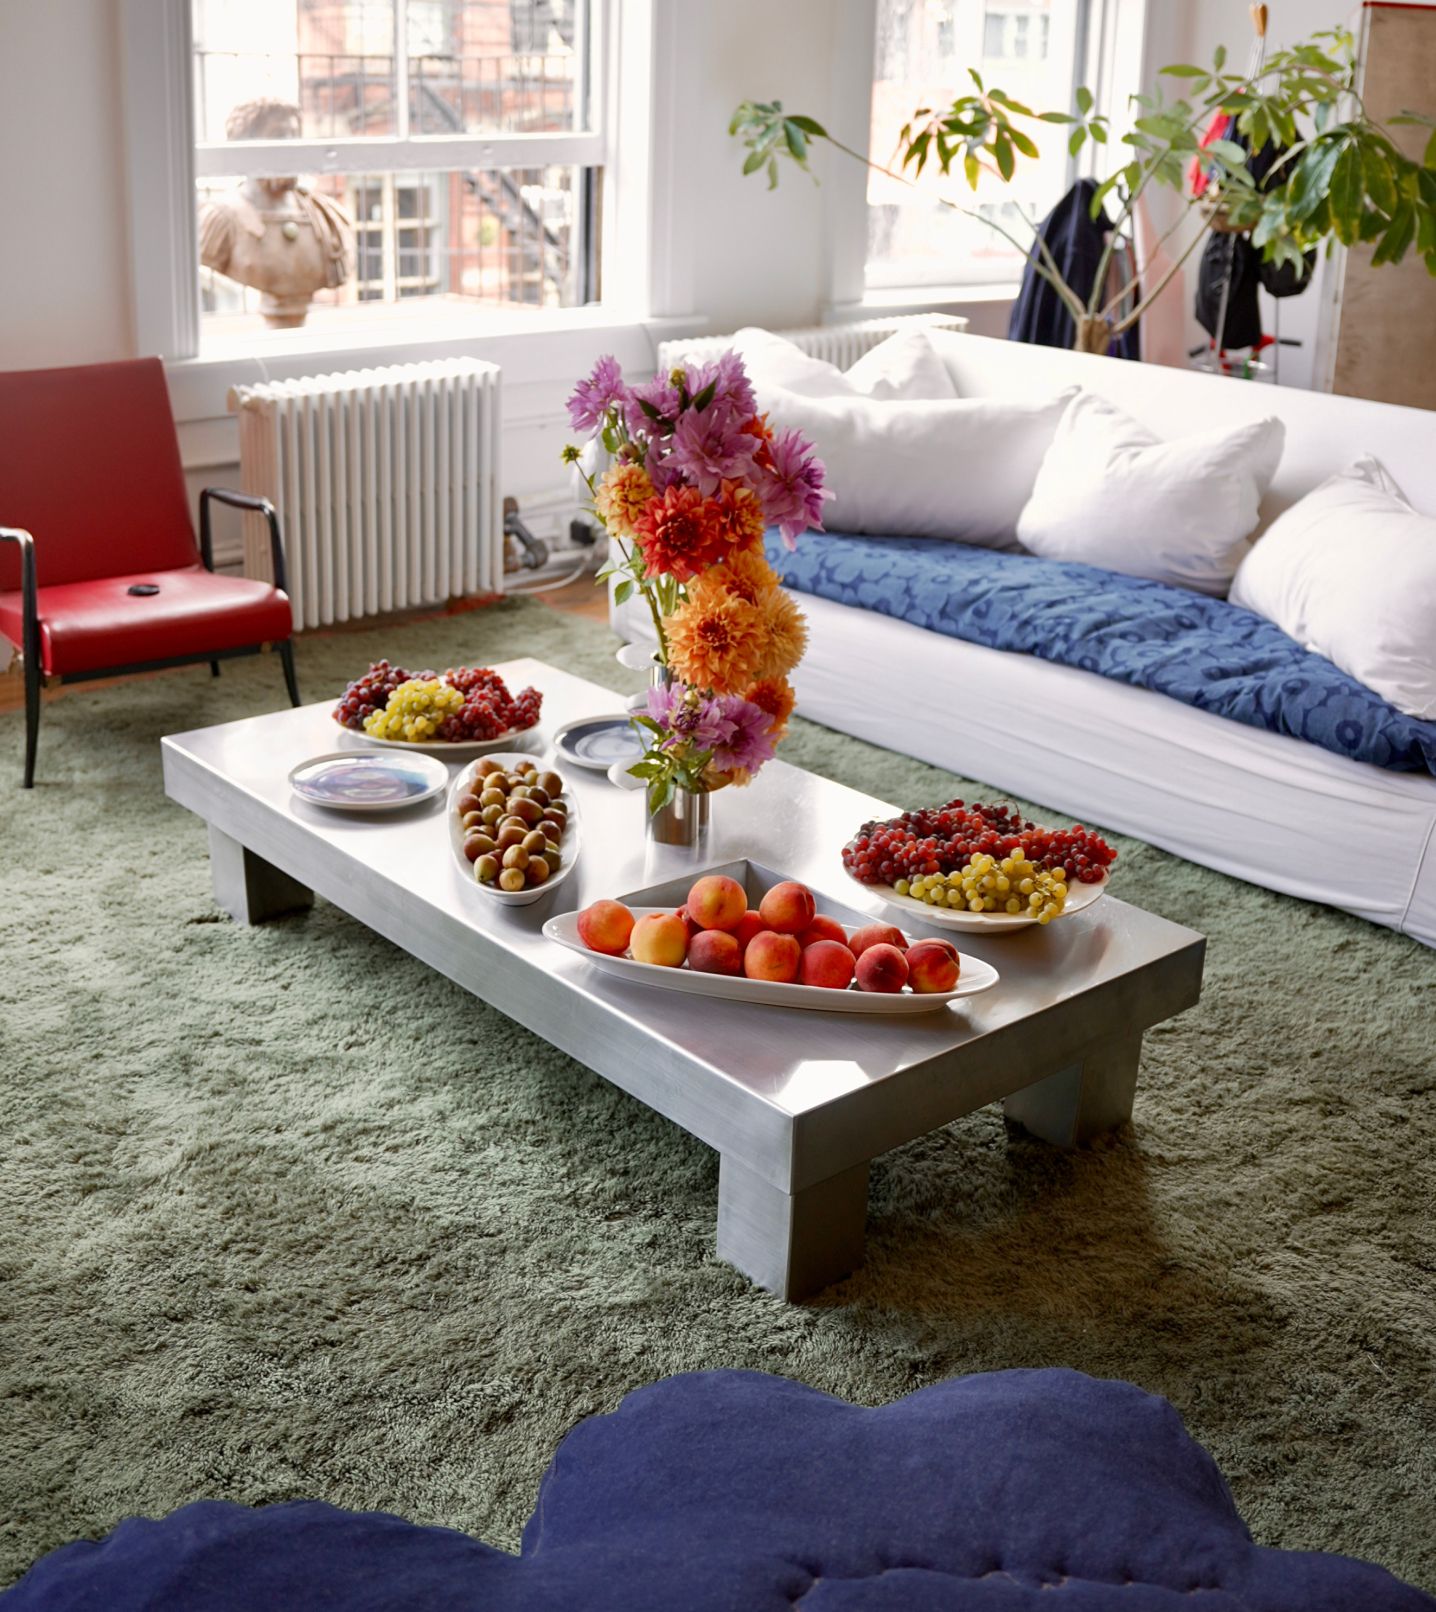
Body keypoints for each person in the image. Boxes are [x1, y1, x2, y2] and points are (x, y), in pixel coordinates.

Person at [199, 99, 353, 328]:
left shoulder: (326, 217)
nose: (291, 146)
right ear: (245, 148)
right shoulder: (222, 220)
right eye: (279, 135)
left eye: (294, 135)